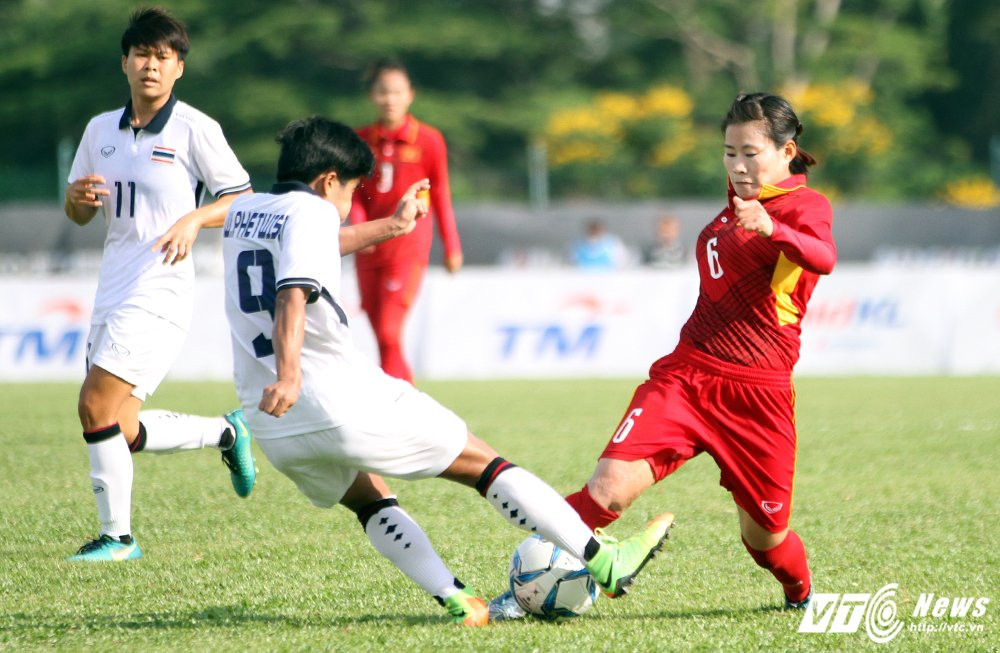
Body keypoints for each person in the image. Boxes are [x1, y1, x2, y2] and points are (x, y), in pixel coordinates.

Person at [221, 116, 674, 625]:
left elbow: (306, 250)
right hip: (330, 395)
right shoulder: (311, 213)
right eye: (351, 191)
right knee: (483, 464)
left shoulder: (247, 210)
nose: (350, 204)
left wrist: (392, 226)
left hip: (271, 424)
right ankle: (604, 562)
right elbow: (291, 294)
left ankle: (457, 598)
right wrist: (290, 372)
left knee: (369, 499)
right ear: (328, 180)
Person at [492, 92, 835, 618]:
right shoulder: (738, 198)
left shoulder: (805, 207)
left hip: (758, 396)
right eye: (729, 151)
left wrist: (773, 228)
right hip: (686, 377)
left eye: (751, 152)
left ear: (788, 151)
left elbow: (824, 257)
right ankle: (522, 593)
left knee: (765, 541)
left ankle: (801, 595)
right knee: (606, 492)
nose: (738, 165)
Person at [63, 7, 256, 562]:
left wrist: (195, 219)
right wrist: (75, 202)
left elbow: (241, 197)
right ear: (124, 62)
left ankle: (118, 538)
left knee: (94, 405)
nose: (152, 65)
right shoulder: (100, 130)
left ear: (178, 70)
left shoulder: (197, 129)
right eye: (142, 54)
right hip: (113, 289)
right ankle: (226, 433)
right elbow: (79, 213)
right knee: (118, 427)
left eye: (164, 57)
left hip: (162, 291)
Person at [350, 58, 462, 383]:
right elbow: (354, 191)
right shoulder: (360, 140)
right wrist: (359, 229)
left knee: (389, 330)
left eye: (397, 92)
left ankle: (406, 405)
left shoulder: (428, 139)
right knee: (380, 333)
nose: (390, 99)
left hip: (407, 247)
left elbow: (440, 193)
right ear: (373, 96)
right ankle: (401, 407)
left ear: (410, 95)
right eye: (383, 92)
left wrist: (452, 245)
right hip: (368, 246)